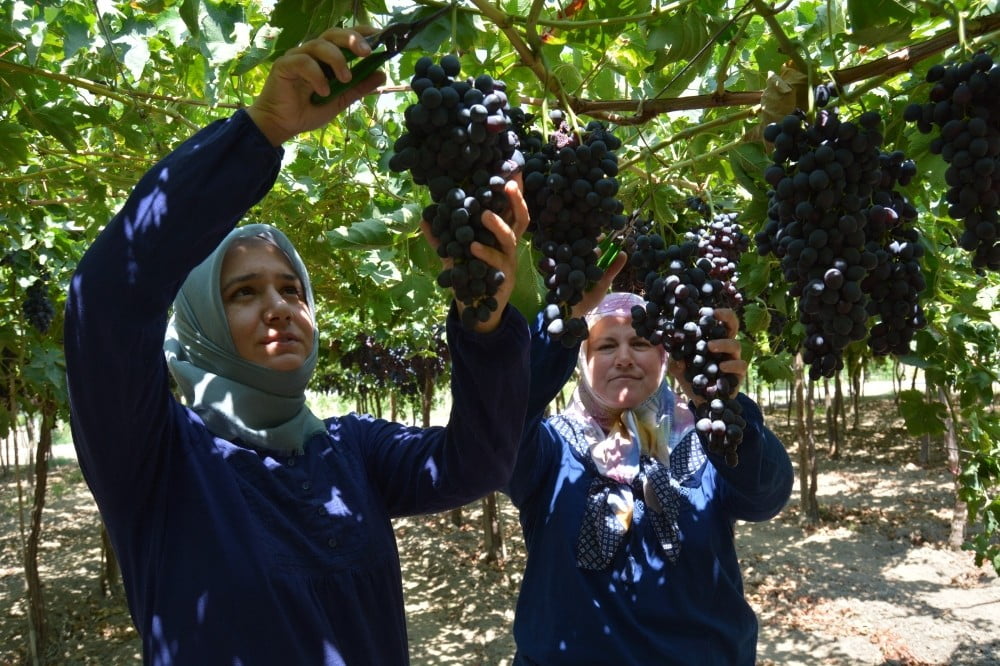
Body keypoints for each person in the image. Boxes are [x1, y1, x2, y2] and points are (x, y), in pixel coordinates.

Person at [63, 27, 532, 665]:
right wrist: (258, 132)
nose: (280, 306)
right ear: (200, 320)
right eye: (243, 293)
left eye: (292, 289)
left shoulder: (350, 451)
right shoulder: (156, 458)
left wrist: (483, 327)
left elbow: (477, 465)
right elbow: (106, 300)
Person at [506, 270, 795, 665]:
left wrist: (719, 405)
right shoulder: (548, 446)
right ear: (581, 360)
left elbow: (766, 496)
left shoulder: (703, 438)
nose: (624, 357)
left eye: (640, 342)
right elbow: (504, 417)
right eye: (606, 345)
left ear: (665, 357)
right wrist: (560, 324)